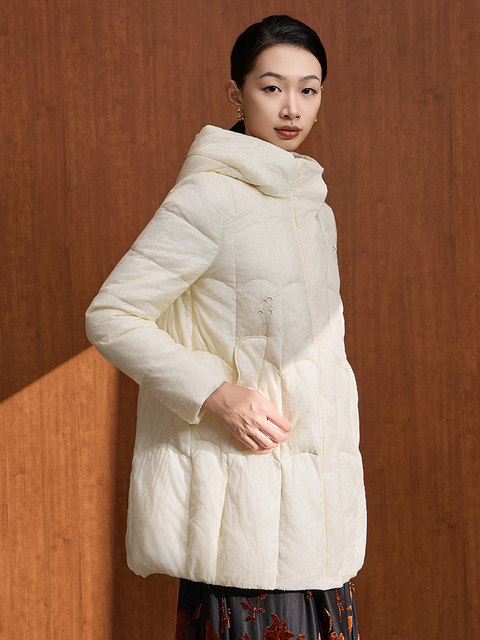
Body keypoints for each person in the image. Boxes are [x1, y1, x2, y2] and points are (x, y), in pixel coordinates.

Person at [85, 14, 366, 640]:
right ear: (236, 94)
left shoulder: (312, 207)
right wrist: (215, 393)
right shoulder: (210, 198)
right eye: (272, 87)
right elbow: (112, 315)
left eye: (309, 89)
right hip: (246, 513)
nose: (292, 108)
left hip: (318, 519)